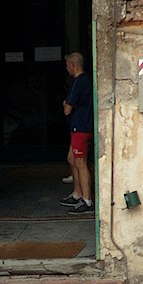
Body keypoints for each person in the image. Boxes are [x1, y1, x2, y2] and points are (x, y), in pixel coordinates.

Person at [60, 52, 95, 215]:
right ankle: (77, 194)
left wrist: (66, 103)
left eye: (67, 65)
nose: (66, 68)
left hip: (80, 127)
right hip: (83, 125)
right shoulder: (88, 80)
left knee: (80, 163)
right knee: (72, 159)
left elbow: (67, 110)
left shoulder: (78, 82)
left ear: (73, 65)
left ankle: (87, 200)